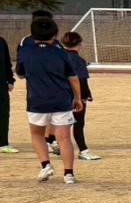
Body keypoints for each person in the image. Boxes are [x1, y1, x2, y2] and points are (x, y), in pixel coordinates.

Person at [14, 14, 83, 184]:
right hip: (61, 100)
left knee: (37, 134)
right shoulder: (61, 52)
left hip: (37, 100)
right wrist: (78, 98)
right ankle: (68, 174)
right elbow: (73, 77)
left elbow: (20, 74)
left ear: (32, 34)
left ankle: (46, 165)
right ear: (54, 34)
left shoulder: (25, 51)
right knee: (64, 138)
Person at [46, 32, 100, 161]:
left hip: (58, 94)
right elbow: (80, 80)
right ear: (80, 45)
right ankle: (83, 150)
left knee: (60, 121)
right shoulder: (78, 61)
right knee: (78, 123)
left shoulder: (57, 57)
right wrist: (83, 97)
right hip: (73, 96)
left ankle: (52, 142)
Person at [0, 27, 15, 154]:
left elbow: (7, 63)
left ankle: (3, 143)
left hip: (1, 85)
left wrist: (10, 80)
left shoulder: (1, 42)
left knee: (3, 114)